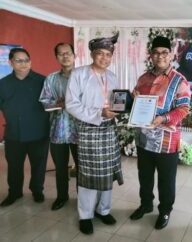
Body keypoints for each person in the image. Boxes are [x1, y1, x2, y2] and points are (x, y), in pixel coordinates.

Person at [130, 36, 191, 230]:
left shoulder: (180, 81)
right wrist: (134, 98)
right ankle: (146, 204)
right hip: (143, 139)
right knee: (144, 176)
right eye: (156, 52)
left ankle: (165, 210)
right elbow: (136, 103)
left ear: (171, 54)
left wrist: (162, 119)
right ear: (151, 55)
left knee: (166, 180)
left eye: (164, 52)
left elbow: (183, 110)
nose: (160, 56)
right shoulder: (143, 78)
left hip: (166, 141)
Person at [65, 33, 123, 235]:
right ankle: (85, 215)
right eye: (100, 54)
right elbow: (71, 105)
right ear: (92, 54)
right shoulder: (79, 74)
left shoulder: (112, 76)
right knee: (88, 173)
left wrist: (130, 102)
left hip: (109, 129)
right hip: (89, 129)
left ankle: (103, 210)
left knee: (107, 172)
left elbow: (118, 102)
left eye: (108, 54)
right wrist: (99, 113)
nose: (104, 58)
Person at [0, 48, 49, 206]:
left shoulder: (43, 81)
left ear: (30, 62)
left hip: (39, 132)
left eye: (26, 60)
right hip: (14, 134)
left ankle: (37, 190)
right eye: (18, 60)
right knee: (14, 166)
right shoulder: (3, 83)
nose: (23, 64)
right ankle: (14, 193)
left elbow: (52, 104)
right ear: (10, 62)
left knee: (38, 165)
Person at [39, 43, 78, 211]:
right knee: (60, 168)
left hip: (81, 132)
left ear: (74, 55)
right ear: (56, 57)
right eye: (61, 54)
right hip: (58, 131)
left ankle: (83, 200)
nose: (65, 56)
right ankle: (62, 197)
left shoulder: (83, 77)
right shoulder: (51, 79)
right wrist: (57, 103)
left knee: (82, 168)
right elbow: (44, 103)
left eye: (68, 53)